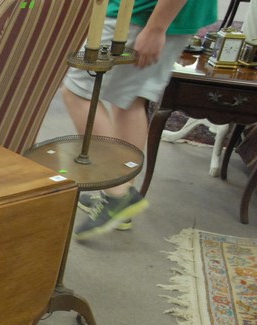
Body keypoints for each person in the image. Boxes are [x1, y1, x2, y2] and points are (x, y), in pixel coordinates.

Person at [62, 0, 217, 240]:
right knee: (127, 99)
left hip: (141, 12)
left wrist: (156, 27)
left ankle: (117, 193)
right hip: (158, 14)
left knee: (77, 92)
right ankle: (121, 196)